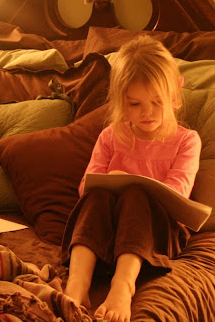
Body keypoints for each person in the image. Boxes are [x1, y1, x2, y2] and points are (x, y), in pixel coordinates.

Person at [61, 35, 201, 322]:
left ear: (174, 96)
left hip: (155, 238)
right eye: (135, 104)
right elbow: (85, 187)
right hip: (106, 237)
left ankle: (123, 287)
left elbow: (178, 194)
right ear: (121, 102)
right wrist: (110, 179)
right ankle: (77, 284)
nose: (147, 112)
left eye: (156, 102)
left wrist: (134, 184)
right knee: (97, 195)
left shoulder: (186, 141)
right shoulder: (111, 136)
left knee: (136, 195)